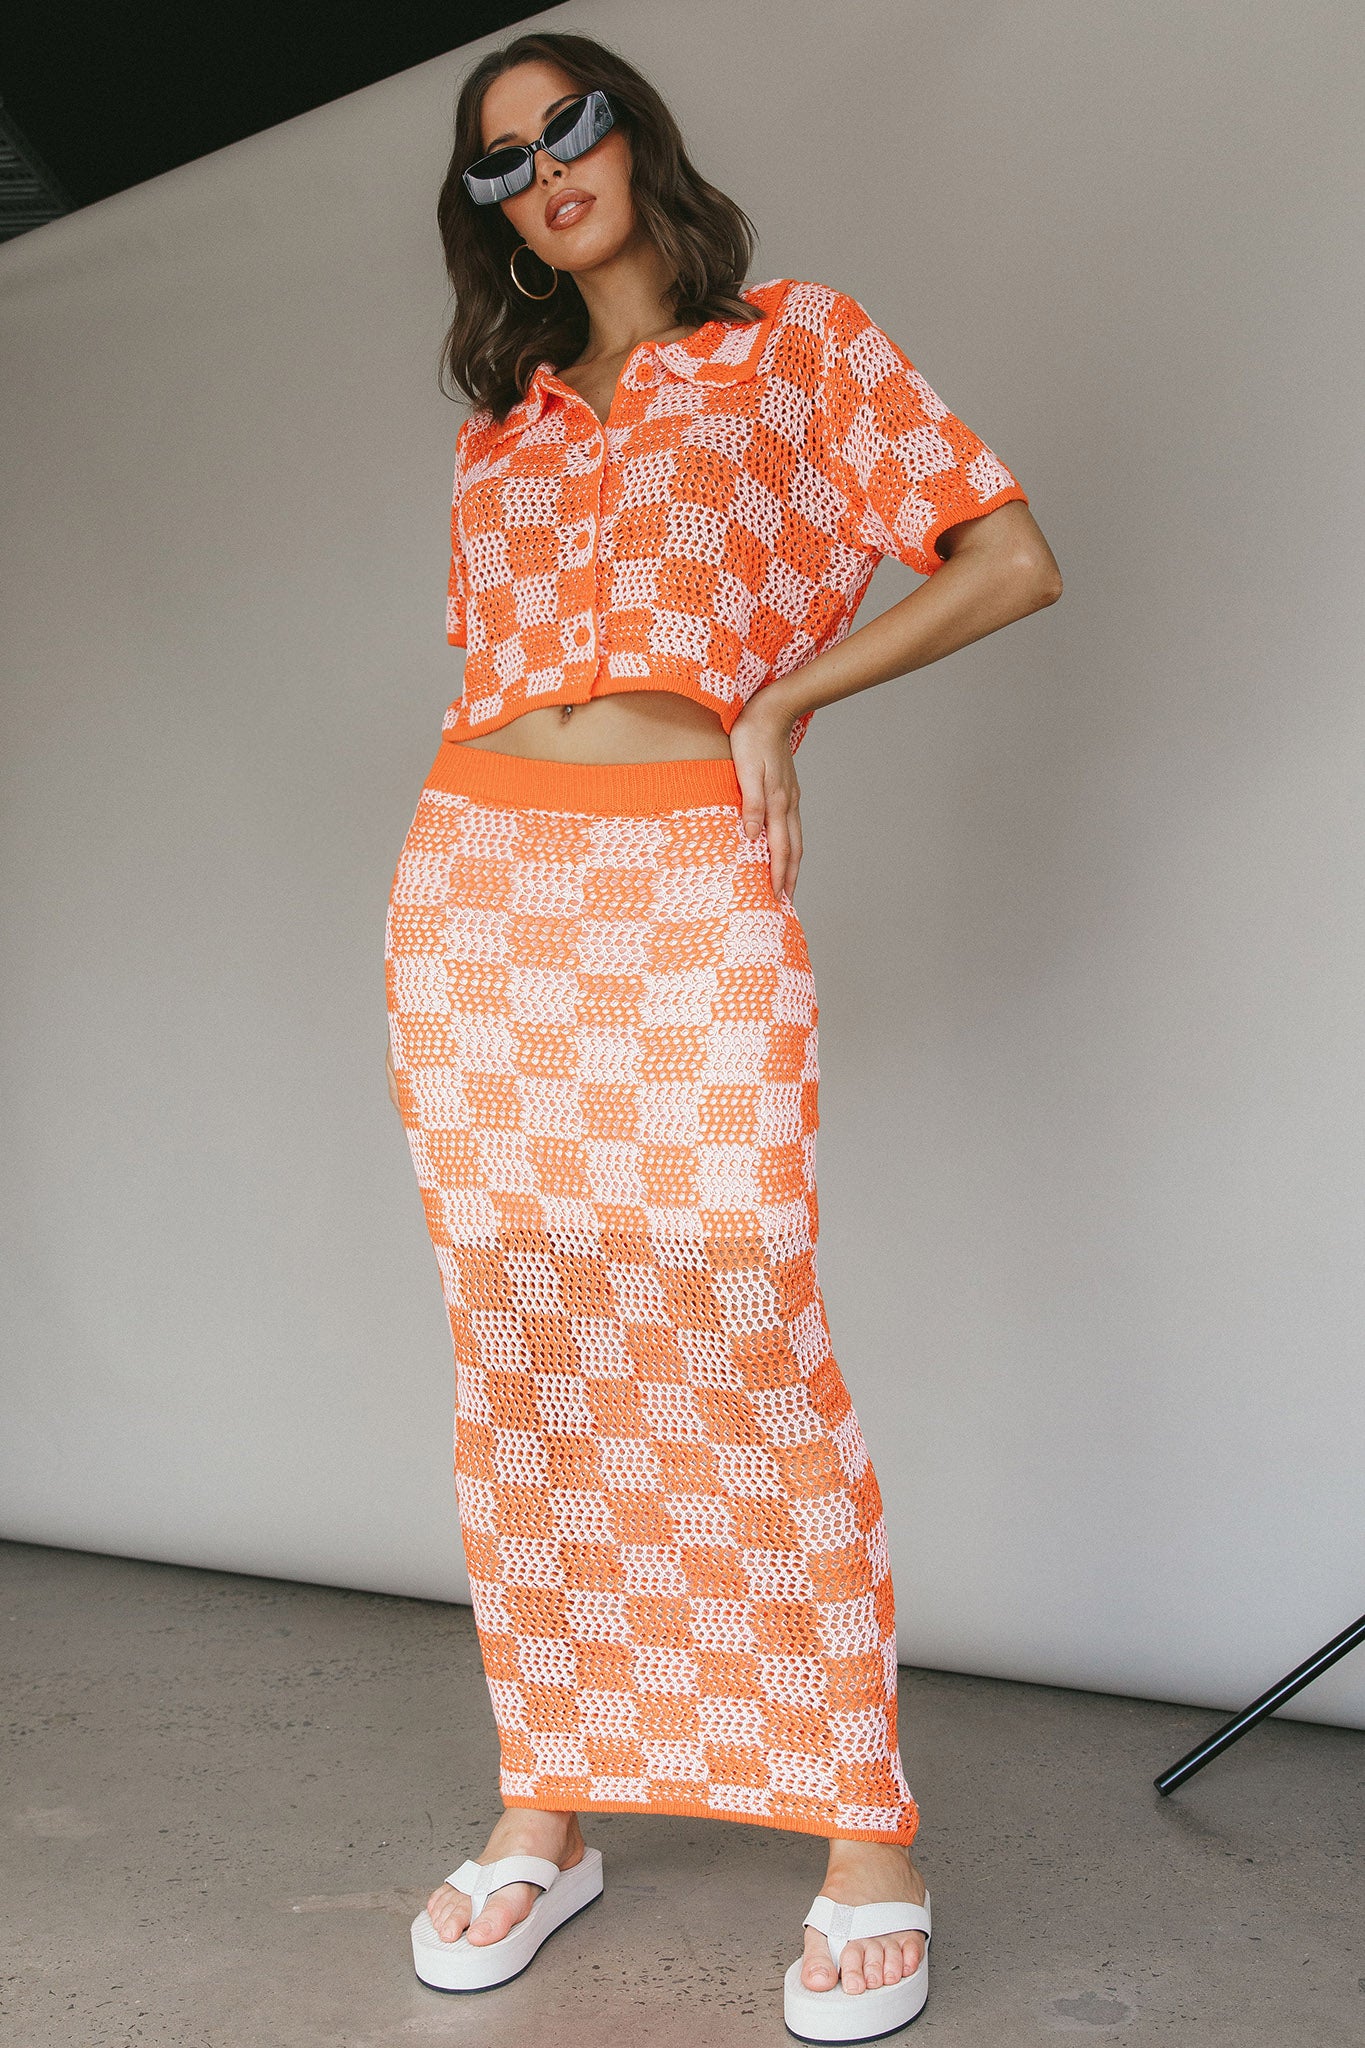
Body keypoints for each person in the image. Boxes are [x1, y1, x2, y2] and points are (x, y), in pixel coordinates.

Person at [384, 28, 1061, 2041]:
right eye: (499, 161)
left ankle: (865, 1836)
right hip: (474, 887)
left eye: (567, 124)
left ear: (634, 133)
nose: (542, 170)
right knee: (524, 1341)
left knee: (738, 1315)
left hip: (681, 879)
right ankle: (547, 1806)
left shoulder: (795, 346)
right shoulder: (503, 426)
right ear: (489, 213)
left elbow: (1007, 557)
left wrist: (783, 699)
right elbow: (505, 676)